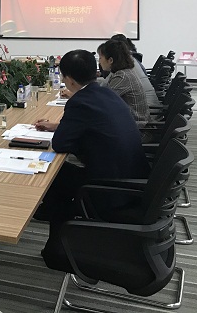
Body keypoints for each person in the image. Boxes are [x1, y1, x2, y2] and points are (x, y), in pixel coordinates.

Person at [32, 50, 149, 267]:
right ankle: (54, 226)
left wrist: (67, 132)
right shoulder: (106, 93)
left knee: (55, 176)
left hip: (111, 190)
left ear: (68, 79)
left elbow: (60, 144)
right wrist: (60, 126)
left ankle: (57, 250)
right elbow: (95, 126)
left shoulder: (79, 102)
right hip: (134, 180)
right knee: (63, 173)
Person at [97, 39, 150, 128]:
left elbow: (103, 101)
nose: (99, 62)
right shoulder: (122, 72)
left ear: (110, 60)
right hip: (131, 123)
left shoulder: (122, 76)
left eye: (100, 58)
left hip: (138, 128)